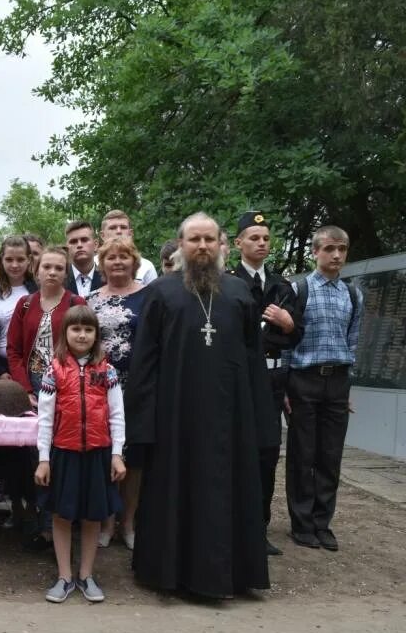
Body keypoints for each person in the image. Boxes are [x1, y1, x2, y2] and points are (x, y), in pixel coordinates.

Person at [125, 212, 273, 598]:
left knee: (227, 492)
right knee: (173, 491)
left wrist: (260, 420)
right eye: (195, 240)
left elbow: (255, 360)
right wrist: (142, 423)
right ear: (181, 245)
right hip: (174, 417)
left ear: (221, 244)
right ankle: (169, 574)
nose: (203, 246)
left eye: (209, 239)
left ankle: (230, 576)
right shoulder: (160, 292)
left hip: (231, 418)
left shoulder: (240, 292)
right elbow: (145, 361)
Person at [35, 305, 126, 603]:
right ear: (66, 333)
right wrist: (44, 459)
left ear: (97, 334)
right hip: (64, 453)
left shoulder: (107, 370)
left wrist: (116, 454)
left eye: (88, 329)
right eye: (76, 329)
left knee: (92, 517)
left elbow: (117, 416)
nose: (82, 334)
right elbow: (45, 418)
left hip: (98, 454)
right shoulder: (54, 369)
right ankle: (64, 576)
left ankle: (86, 575)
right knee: (61, 516)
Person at [285, 225, 361, 552]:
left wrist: (347, 385)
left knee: (330, 454)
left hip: (337, 380)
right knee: (303, 452)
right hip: (304, 378)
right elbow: (286, 341)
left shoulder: (353, 294)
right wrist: (286, 385)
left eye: (342, 249)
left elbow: (353, 340)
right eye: (329, 249)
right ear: (315, 251)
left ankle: (322, 522)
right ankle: (302, 523)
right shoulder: (299, 289)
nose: (336, 255)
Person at [5, 246, 85, 550]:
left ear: (65, 273)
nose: (51, 273)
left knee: (60, 456)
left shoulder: (76, 303)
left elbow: (83, 345)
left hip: (66, 388)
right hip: (32, 388)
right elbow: (13, 351)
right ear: (36, 271)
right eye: (46, 267)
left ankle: (56, 526)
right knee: (31, 457)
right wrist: (25, 389)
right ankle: (34, 520)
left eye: (58, 268)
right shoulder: (25, 304)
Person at [230, 211, 299, 556]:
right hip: (238, 378)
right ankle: (231, 525)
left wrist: (286, 324)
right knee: (233, 450)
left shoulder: (281, 286)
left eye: (266, 238)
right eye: (253, 237)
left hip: (271, 378)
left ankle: (259, 527)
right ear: (237, 243)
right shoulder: (228, 283)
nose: (260, 243)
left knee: (266, 453)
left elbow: (294, 337)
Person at [87, 237, 147, 550]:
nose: (118, 262)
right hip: (100, 388)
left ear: (134, 262)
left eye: (124, 257)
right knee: (105, 454)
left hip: (137, 388)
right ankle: (107, 521)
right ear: (102, 263)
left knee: (133, 459)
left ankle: (129, 523)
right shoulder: (91, 299)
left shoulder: (148, 297)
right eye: (111, 257)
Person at [0, 237, 37, 505]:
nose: (15, 265)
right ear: (1, 260)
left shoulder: (36, 290)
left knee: (24, 437)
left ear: (29, 261)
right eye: (9, 259)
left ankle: (24, 495)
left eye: (20, 259)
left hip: (28, 369)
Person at [99, 210, 158, 284]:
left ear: (130, 234)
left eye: (123, 227)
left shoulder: (146, 267)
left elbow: (154, 294)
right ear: (102, 235)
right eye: (113, 228)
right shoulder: (93, 265)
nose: (119, 231)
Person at [64, 221, 102, 297]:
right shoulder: (60, 279)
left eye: (84, 240)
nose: (79, 245)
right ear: (67, 248)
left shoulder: (107, 278)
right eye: (73, 241)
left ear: (95, 245)